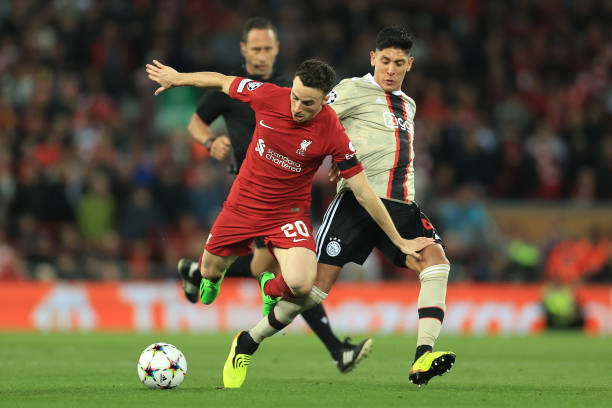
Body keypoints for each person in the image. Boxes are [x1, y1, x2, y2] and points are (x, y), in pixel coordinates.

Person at [146, 57, 434, 388]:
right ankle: (211, 277)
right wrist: (178, 76)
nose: (297, 106)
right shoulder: (270, 95)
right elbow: (222, 80)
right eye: (295, 96)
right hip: (242, 206)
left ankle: (269, 289)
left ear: (325, 100)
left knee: (301, 281)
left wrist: (398, 240)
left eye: (307, 102)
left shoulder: (332, 133)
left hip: (287, 214)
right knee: (210, 271)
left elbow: (365, 193)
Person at [227, 26, 455, 388]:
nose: (391, 69)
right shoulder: (351, 89)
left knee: (436, 261)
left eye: (399, 63)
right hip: (357, 204)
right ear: (372, 59)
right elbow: (311, 118)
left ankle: (422, 357)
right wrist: (333, 152)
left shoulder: (408, 105)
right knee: (313, 290)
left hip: (400, 207)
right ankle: (248, 341)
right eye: (384, 61)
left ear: (410, 64)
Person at [178, 17, 371, 373]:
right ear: (244, 50)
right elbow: (195, 121)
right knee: (253, 267)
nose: (263, 54)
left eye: (268, 48)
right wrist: (208, 141)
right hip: (244, 186)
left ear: (277, 49)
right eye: (256, 48)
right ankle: (203, 272)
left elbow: (331, 125)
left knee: (272, 270)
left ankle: (329, 346)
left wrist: (340, 158)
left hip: (284, 201)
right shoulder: (252, 91)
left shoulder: (291, 88)